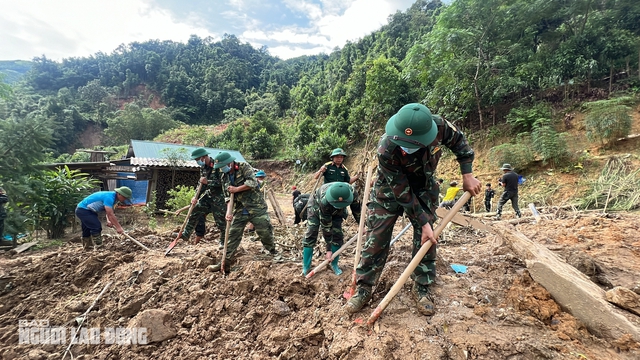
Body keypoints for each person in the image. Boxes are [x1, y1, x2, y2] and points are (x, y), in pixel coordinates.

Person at [344, 103, 482, 316]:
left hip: (424, 186)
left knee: (426, 238)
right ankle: (364, 287)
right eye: (403, 142)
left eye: (412, 144)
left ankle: (422, 287)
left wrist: (467, 174)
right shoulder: (386, 148)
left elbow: (461, 144)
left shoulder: (440, 127)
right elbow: (402, 192)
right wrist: (423, 220)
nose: (405, 148)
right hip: (389, 189)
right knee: (376, 236)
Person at [210, 152, 278, 272]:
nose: (222, 169)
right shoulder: (224, 177)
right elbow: (227, 197)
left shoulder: (244, 167)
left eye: (223, 166)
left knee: (265, 232)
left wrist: (236, 189)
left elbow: (252, 182)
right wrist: (228, 212)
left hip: (256, 206)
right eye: (220, 167)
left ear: (230, 162)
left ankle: (273, 253)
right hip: (241, 209)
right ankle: (224, 263)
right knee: (232, 235)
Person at [174, 148, 226, 247]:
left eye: (197, 159)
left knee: (221, 221)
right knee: (195, 209)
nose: (197, 162)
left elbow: (224, 182)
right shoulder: (203, 168)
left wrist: (208, 182)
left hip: (220, 197)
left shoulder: (218, 165)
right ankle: (186, 234)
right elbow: (201, 183)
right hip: (209, 195)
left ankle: (223, 242)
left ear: (204, 157)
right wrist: (195, 197)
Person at [301, 182, 355, 276]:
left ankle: (334, 265)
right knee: (311, 232)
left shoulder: (352, 193)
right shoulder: (324, 201)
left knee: (337, 234)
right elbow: (326, 226)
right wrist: (328, 249)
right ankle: (306, 267)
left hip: (338, 211)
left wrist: (362, 225)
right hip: (316, 206)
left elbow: (357, 209)